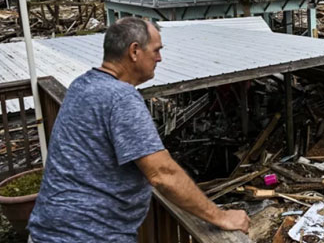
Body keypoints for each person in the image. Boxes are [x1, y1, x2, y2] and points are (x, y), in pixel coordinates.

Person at [28, 17, 249, 242]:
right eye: (156, 50)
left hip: (47, 231)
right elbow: (162, 173)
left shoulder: (81, 85)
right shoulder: (120, 97)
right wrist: (220, 216)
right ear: (134, 51)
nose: (159, 58)